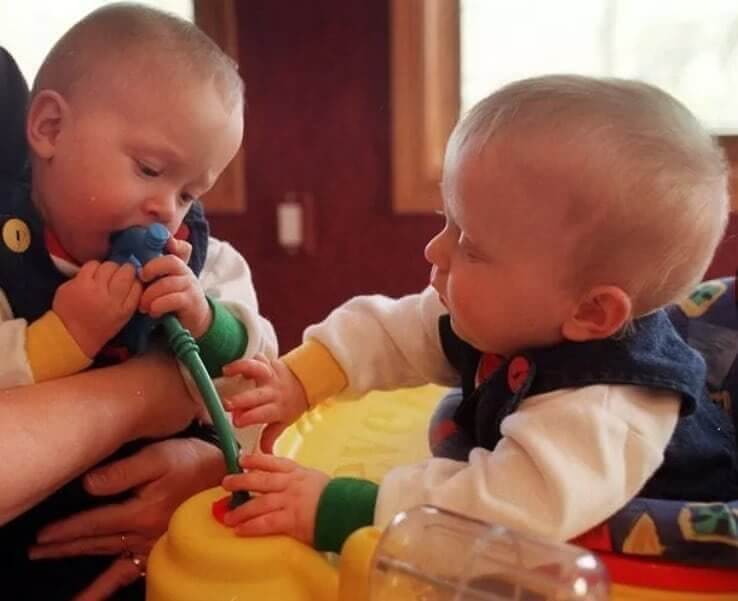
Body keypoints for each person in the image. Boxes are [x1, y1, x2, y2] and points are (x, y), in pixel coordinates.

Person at [219, 75, 738, 554]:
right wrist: (301, 379)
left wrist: (339, 508)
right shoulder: (519, 313)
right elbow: (399, 329)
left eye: (469, 245)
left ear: (591, 311)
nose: (433, 251)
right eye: (447, 222)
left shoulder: (604, 411)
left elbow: (501, 511)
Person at [0, 3, 277, 598]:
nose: (167, 209)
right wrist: (60, 340)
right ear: (49, 129)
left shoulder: (203, 263)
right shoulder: (7, 255)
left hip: (160, 555)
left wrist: (205, 321)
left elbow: (259, 370)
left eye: (189, 192)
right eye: (149, 169)